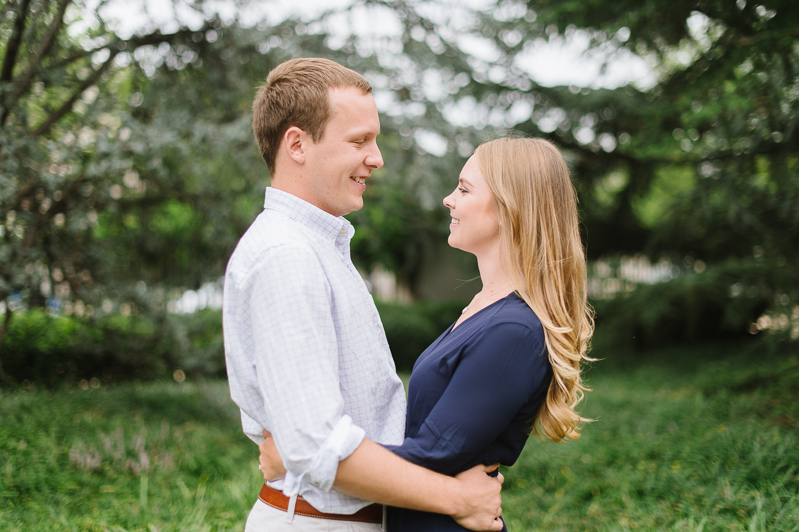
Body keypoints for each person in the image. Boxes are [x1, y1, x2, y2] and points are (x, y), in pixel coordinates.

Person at [223, 57, 504, 532]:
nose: (377, 158)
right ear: (297, 144)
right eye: (359, 141)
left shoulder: (319, 247)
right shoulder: (287, 255)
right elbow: (316, 446)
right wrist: (455, 498)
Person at [258, 136, 595, 531]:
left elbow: (434, 453)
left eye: (465, 189)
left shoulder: (514, 330)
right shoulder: (484, 307)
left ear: (510, 208)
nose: (448, 200)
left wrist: (302, 457)